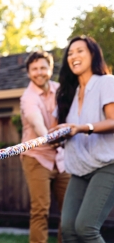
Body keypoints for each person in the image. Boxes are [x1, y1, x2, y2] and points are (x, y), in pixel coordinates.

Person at [50, 35, 114, 242]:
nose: (74, 56)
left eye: (80, 51)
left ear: (93, 54)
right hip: (79, 169)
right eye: (70, 53)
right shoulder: (67, 93)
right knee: (68, 229)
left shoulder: (106, 83)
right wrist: (56, 136)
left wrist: (81, 128)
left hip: (107, 165)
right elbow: (58, 131)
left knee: (86, 228)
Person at [20, 51, 70, 243]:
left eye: (43, 68)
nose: (39, 72)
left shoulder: (60, 90)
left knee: (69, 211)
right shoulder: (28, 97)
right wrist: (48, 137)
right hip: (36, 157)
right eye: (34, 69)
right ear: (28, 73)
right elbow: (36, 122)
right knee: (41, 211)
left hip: (61, 158)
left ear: (50, 69)